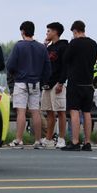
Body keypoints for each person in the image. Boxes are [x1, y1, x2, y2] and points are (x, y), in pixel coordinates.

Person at [5, 21, 50, 149]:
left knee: (21, 112)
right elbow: (47, 68)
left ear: (23, 32)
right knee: (35, 112)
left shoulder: (19, 46)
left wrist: (16, 75)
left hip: (21, 82)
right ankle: (38, 140)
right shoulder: (41, 47)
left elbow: (10, 65)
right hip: (35, 83)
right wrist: (42, 81)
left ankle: (19, 140)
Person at [59, 20, 97, 152]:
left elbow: (65, 59)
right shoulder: (93, 44)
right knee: (87, 112)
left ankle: (75, 141)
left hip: (75, 82)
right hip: (88, 82)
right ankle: (87, 142)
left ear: (75, 31)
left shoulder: (74, 43)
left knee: (75, 111)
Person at [40, 22, 68, 150]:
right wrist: (44, 45)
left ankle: (61, 138)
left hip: (58, 83)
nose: (47, 33)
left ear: (56, 32)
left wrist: (61, 82)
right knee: (49, 112)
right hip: (47, 83)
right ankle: (49, 139)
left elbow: (65, 66)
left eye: (49, 31)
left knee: (61, 111)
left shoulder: (63, 46)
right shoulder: (48, 48)